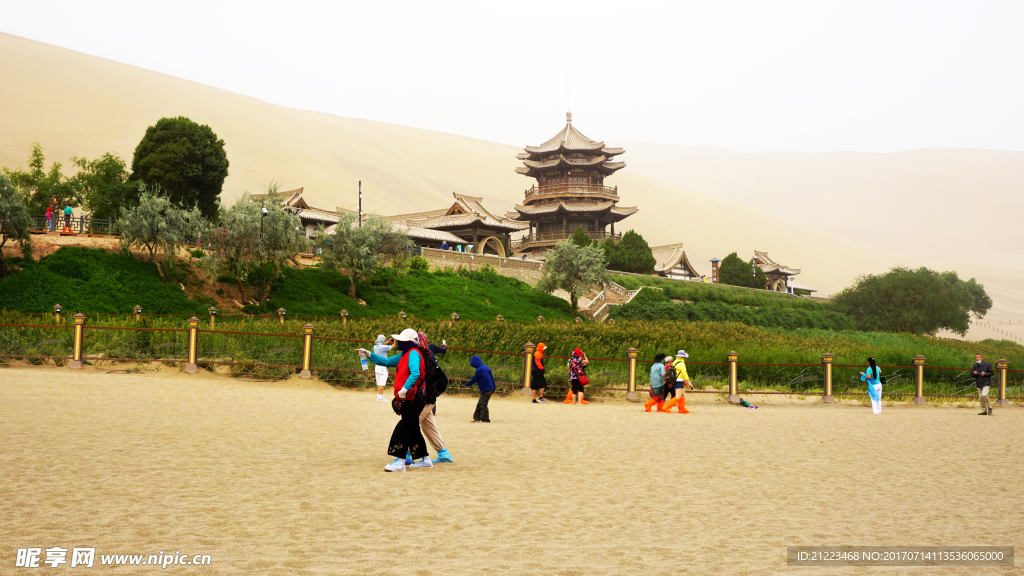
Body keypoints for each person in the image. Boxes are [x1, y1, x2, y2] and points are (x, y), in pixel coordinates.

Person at [361, 328, 431, 472]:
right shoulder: (405, 354)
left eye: (400, 340)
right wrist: (368, 353)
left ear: (408, 342)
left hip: (414, 397)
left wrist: (405, 389)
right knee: (412, 428)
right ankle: (426, 459)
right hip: (408, 397)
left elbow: (415, 372)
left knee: (403, 427)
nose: (397, 342)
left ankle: (399, 460)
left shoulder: (412, 353)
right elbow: (385, 361)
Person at [415, 332, 453, 463]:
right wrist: (444, 345)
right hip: (429, 397)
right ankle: (443, 453)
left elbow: (420, 377)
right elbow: (443, 350)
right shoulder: (430, 350)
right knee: (429, 425)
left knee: (410, 422)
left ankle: (406, 455)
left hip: (423, 398)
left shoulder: (421, 356)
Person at [464, 355, 496, 422]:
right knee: (480, 403)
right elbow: (492, 378)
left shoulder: (480, 370)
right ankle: (477, 418)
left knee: (483, 403)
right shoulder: (486, 368)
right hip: (489, 388)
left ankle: (485, 419)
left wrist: (467, 384)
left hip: (488, 389)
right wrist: (494, 387)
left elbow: (474, 379)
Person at [371, 335, 392, 401]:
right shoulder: (383, 347)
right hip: (383, 367)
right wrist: (395, 342)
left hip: (377, 366)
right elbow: (392, 347)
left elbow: (382, 346)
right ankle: (380, 397)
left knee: (379, 382)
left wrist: (387, 342)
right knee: (382, 383)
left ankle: (379, 396)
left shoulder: (375, 347)